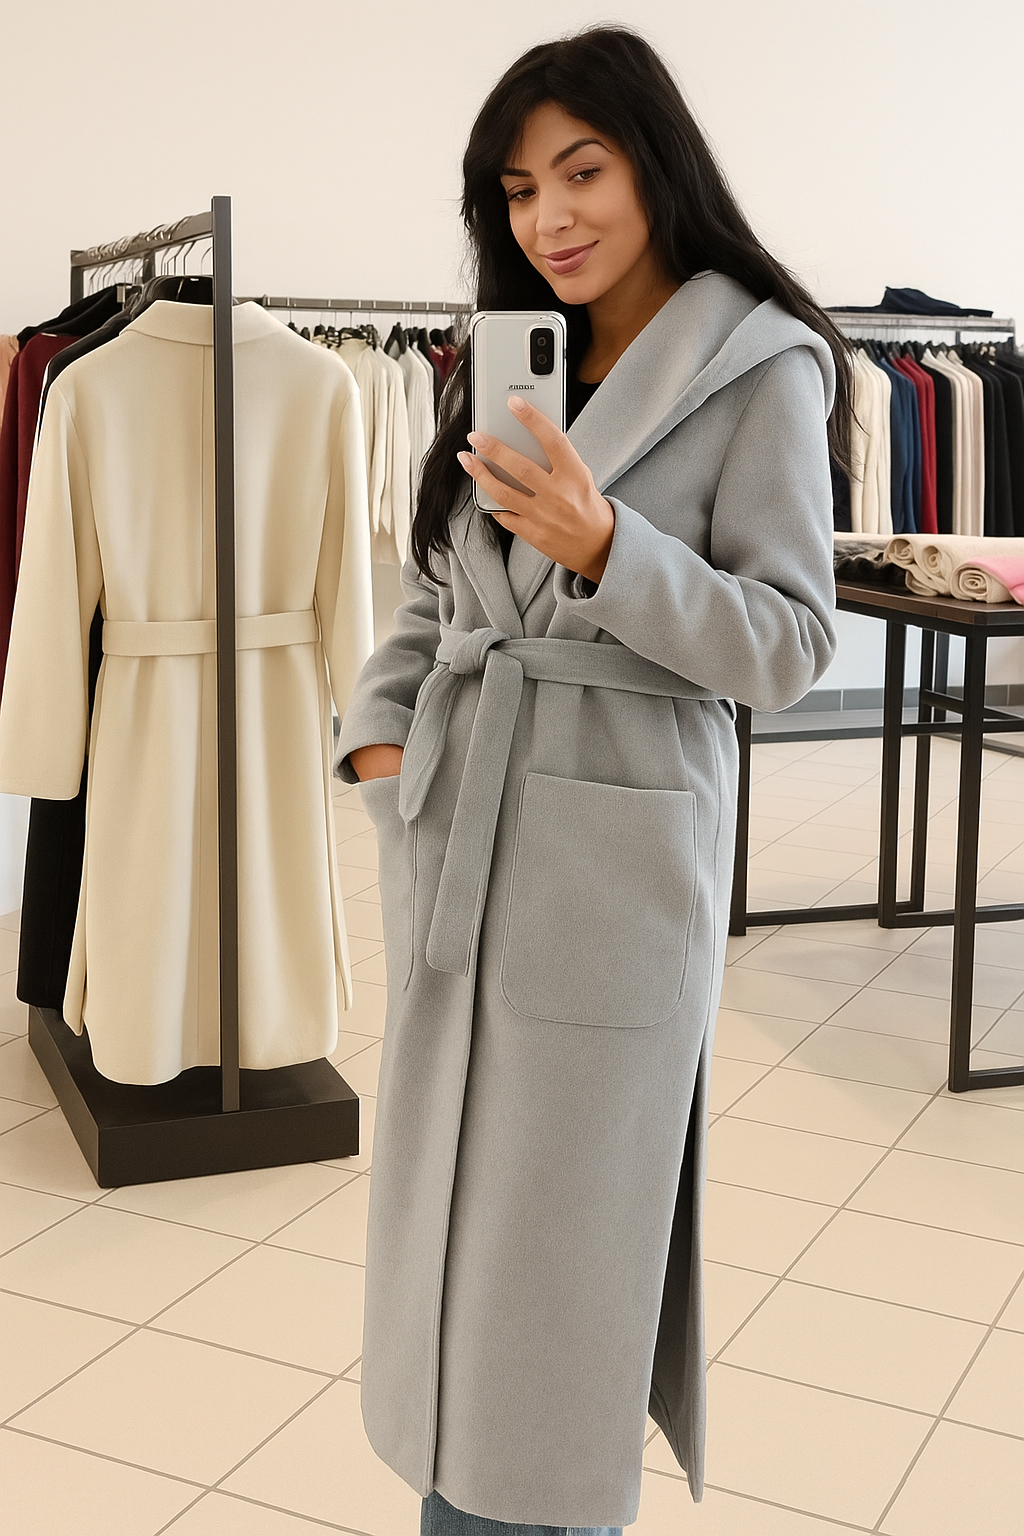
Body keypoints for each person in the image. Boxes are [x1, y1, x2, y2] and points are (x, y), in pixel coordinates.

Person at [336, 25, 850, 1536]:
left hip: (612, 877)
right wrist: (383, 750)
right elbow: (437, 585)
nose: (549, 218)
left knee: (556, 1281)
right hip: (460, 840)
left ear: (655, 168)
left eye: (581, 173)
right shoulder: (513, 353)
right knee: (449, 1250)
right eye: (517, 190)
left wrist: (612, 550)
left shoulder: (762, 365)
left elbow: (792, 643)